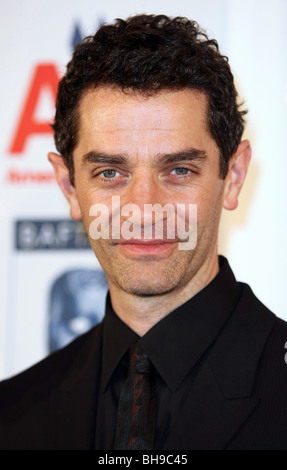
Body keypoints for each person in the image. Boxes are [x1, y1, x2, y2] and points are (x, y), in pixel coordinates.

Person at [0, 14, 287, 451]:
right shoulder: (14, 413)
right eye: (111, 172)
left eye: (178, 169)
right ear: (68, 186)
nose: (144, 209)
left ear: (233, 176)